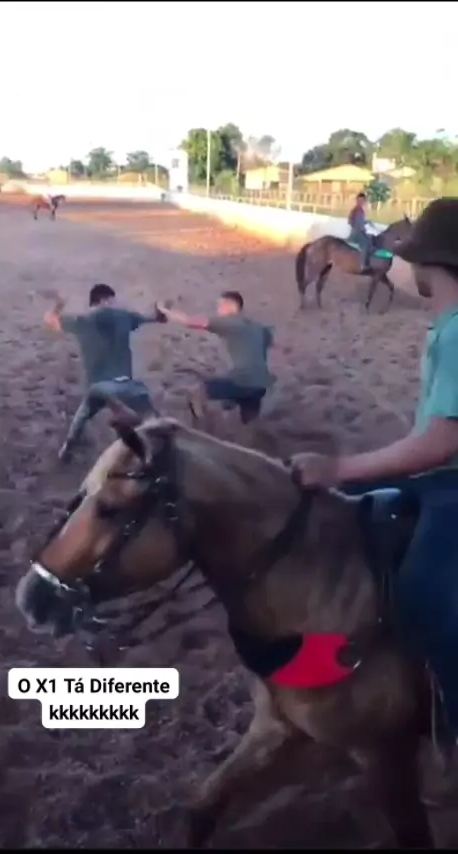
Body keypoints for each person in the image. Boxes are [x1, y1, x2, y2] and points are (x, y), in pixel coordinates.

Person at [291, 196, 458, 740]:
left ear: (429, 263)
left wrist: (341, 467)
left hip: (450, 481)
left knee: (425, 595)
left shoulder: (457, 332)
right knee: (342, 517)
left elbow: (440, 444)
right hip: (438, 474)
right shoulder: (447, 327)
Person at [44, 283, 167, 462]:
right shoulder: (124, 316)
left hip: (99, 387)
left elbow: (50, 321)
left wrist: (59, 303)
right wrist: (161, 309)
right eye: (113, 300)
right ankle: (151, 452)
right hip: (126, 385)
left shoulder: (81, 320)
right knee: (150, 417)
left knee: (83, 414)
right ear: (105, 299)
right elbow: (156, 318)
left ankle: (68, 447)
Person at [157, 291, 274, 424]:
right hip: (261, 385)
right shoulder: (258, 327)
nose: (218, 310)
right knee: (248, 418)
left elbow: (189, 322)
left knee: (199, 391)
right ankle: (248, 425)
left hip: (242, 381)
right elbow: (269, 344)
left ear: (230, 305)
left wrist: (164, 310)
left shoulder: (230, 321)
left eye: (219, 306)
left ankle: (202, 425)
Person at [348, 192, 374, 271]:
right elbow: (351, 222)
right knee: (366, 243)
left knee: (370, 239)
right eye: (359, 200)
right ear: (357, 200)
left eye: (362, 201)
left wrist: (366, 222)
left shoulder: (359, 210)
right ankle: (363, 265)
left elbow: (356, 221)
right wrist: (361, 228)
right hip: (356, 233)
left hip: (358, 231)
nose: (361, 202)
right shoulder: (356, 210)